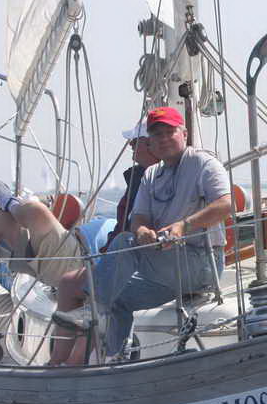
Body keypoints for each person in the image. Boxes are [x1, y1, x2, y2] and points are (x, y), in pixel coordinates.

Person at [51, 106, 231, 364]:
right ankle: (115, 358)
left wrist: (183, 226)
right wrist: (143, 231)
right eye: (157, 134)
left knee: (124, 242)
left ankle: (92, 312)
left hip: (200, 263)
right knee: (118, 297)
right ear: (150, 141)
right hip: (164, 268)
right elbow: (138, 218)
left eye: (170, 132)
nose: (164, 138)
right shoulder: (151, 174)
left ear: (184, 134)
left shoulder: (203, 163)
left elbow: (225, 204)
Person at [0, 178, 83, 289]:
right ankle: (13, 205)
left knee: (36, 212)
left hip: (79, 264)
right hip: (70, 256)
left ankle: (11, 204)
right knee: (5, 219)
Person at [105, 119, 159, 250]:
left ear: (149, 144)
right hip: (123, 248)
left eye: (135, 141)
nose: (130, 144)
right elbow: (122, 225)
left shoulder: (165, 179)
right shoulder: (136, 178)